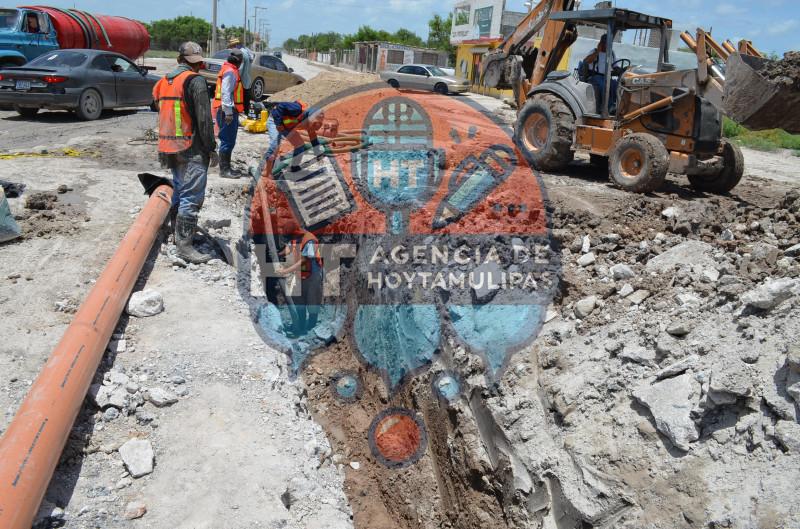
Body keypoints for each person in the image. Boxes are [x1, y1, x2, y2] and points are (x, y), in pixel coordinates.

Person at [152, 41, 218, 264]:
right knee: (192, 197)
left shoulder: (163, 82)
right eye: (196, 63)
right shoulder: (195, 81)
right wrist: (211, 148)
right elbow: (204, 120)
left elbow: (160, 109)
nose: (198, 67)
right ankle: (184, 247)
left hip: (168, 146)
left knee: (179, 190)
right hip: (191, 147)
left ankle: (176, 234)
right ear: (186, 61)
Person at [276, 229, 324, 335]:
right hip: (300, 274)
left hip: (313, 276)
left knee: (312, 301)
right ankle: (301, 324)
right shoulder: (295, 238)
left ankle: (311, 326)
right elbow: (289, 248)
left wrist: (285, 271)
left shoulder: (309, 240)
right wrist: (279, 254)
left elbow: (304, 260)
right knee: (299, 301)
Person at [262, 100, 325, 173]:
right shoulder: (297, 108)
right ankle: (266, 169)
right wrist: (279, 124)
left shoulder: (311, 123)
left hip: (287, 126)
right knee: (275, 145)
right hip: (275, 122)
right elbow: (280, 106)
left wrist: (318, 154)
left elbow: (313, 139)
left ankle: (294, 167)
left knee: (300, 144)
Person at [212, 48, 245, 178]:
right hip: (227, 111)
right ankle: (224, 170)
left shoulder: (227, 69)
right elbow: (226, 93)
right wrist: (229, 113)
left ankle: (227, 168)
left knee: (228, 140)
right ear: (239, 61)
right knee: (227, 140)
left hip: (226, 110)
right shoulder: (231, 71)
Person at [582, 34, 618, 112]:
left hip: (606, 77)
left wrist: (622, 70)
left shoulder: (612, 53)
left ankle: (615, 105)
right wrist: (598, 51)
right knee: (604, 85)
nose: (607, 45)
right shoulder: (594, 51)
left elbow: (615, 66)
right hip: (594, 77)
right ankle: (607, 107)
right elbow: (586, 61)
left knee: (615, 84)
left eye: (609, 43)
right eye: (605, 43)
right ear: (601, 43)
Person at [229, 37, 254, 112]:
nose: (231, 48)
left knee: (241, 103)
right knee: (246, 102)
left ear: (235, 45)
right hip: (247, 82)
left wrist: (233, 80)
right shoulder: (246, 51)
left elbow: (240, 69)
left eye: (232, 46)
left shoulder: (240, 54)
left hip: (241, 83)